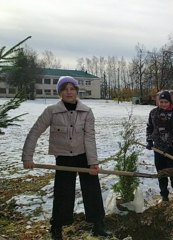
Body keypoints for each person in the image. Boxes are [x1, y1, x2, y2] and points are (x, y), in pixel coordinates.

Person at [22, 76, 110, 239]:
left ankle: (98, 224)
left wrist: (93, 163)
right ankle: (56, 228)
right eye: (65, 89)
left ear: (77, 91)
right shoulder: (51, 111)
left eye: (72, 88)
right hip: (63, 158)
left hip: (84, 156)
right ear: (60, 93)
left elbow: (90, 138)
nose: (69, 92)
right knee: (63, 192)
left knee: (92, 190)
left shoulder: (86, 112)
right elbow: (35, 132)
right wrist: (27, 157)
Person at [146, 90, 173, 203]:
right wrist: (149, 140)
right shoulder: (153, 113)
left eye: (165, 102)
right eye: (161, 101)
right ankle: (164, 196)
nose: (163, 104)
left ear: (169, 102)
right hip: (158, 149)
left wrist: (170, 144)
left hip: (171, 150)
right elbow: (149, 127)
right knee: (161, 174)